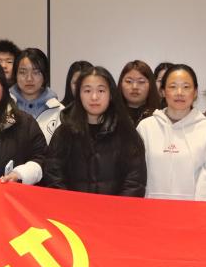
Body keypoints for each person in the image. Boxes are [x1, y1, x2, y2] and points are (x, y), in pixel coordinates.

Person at [43, 66, 146, 196]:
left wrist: (116, 207)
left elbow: (135, 182)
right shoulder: (64, 133)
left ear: (111, 94)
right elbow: (53, 176)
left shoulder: (127, 132)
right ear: (79, 94)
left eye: (101, 90)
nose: (94, 97)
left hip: (117, 208)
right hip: (72, 207)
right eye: (87, 91)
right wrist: (70, 204)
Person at [137, 64, 206, 201]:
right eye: (173, 86)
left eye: (186, 87)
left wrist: (200, 212)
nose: (179, 92)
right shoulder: (146, 128)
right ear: (162, 91)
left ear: (195, 92)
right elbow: (136, 176)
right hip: (151, 210)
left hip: (194, 212)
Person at [10, 47, 63, 142]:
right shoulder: (3, 107)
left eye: (36, 72)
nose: (29, 78)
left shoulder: (59, 112)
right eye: (22, 72)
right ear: (15, 75)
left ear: (45, 75)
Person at [118, 60, 161, 125]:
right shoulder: (111, 115)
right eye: (129, 81)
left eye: (141, 82)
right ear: (121, 83)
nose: (134, 87)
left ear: (151, 85)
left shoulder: (160, 115)